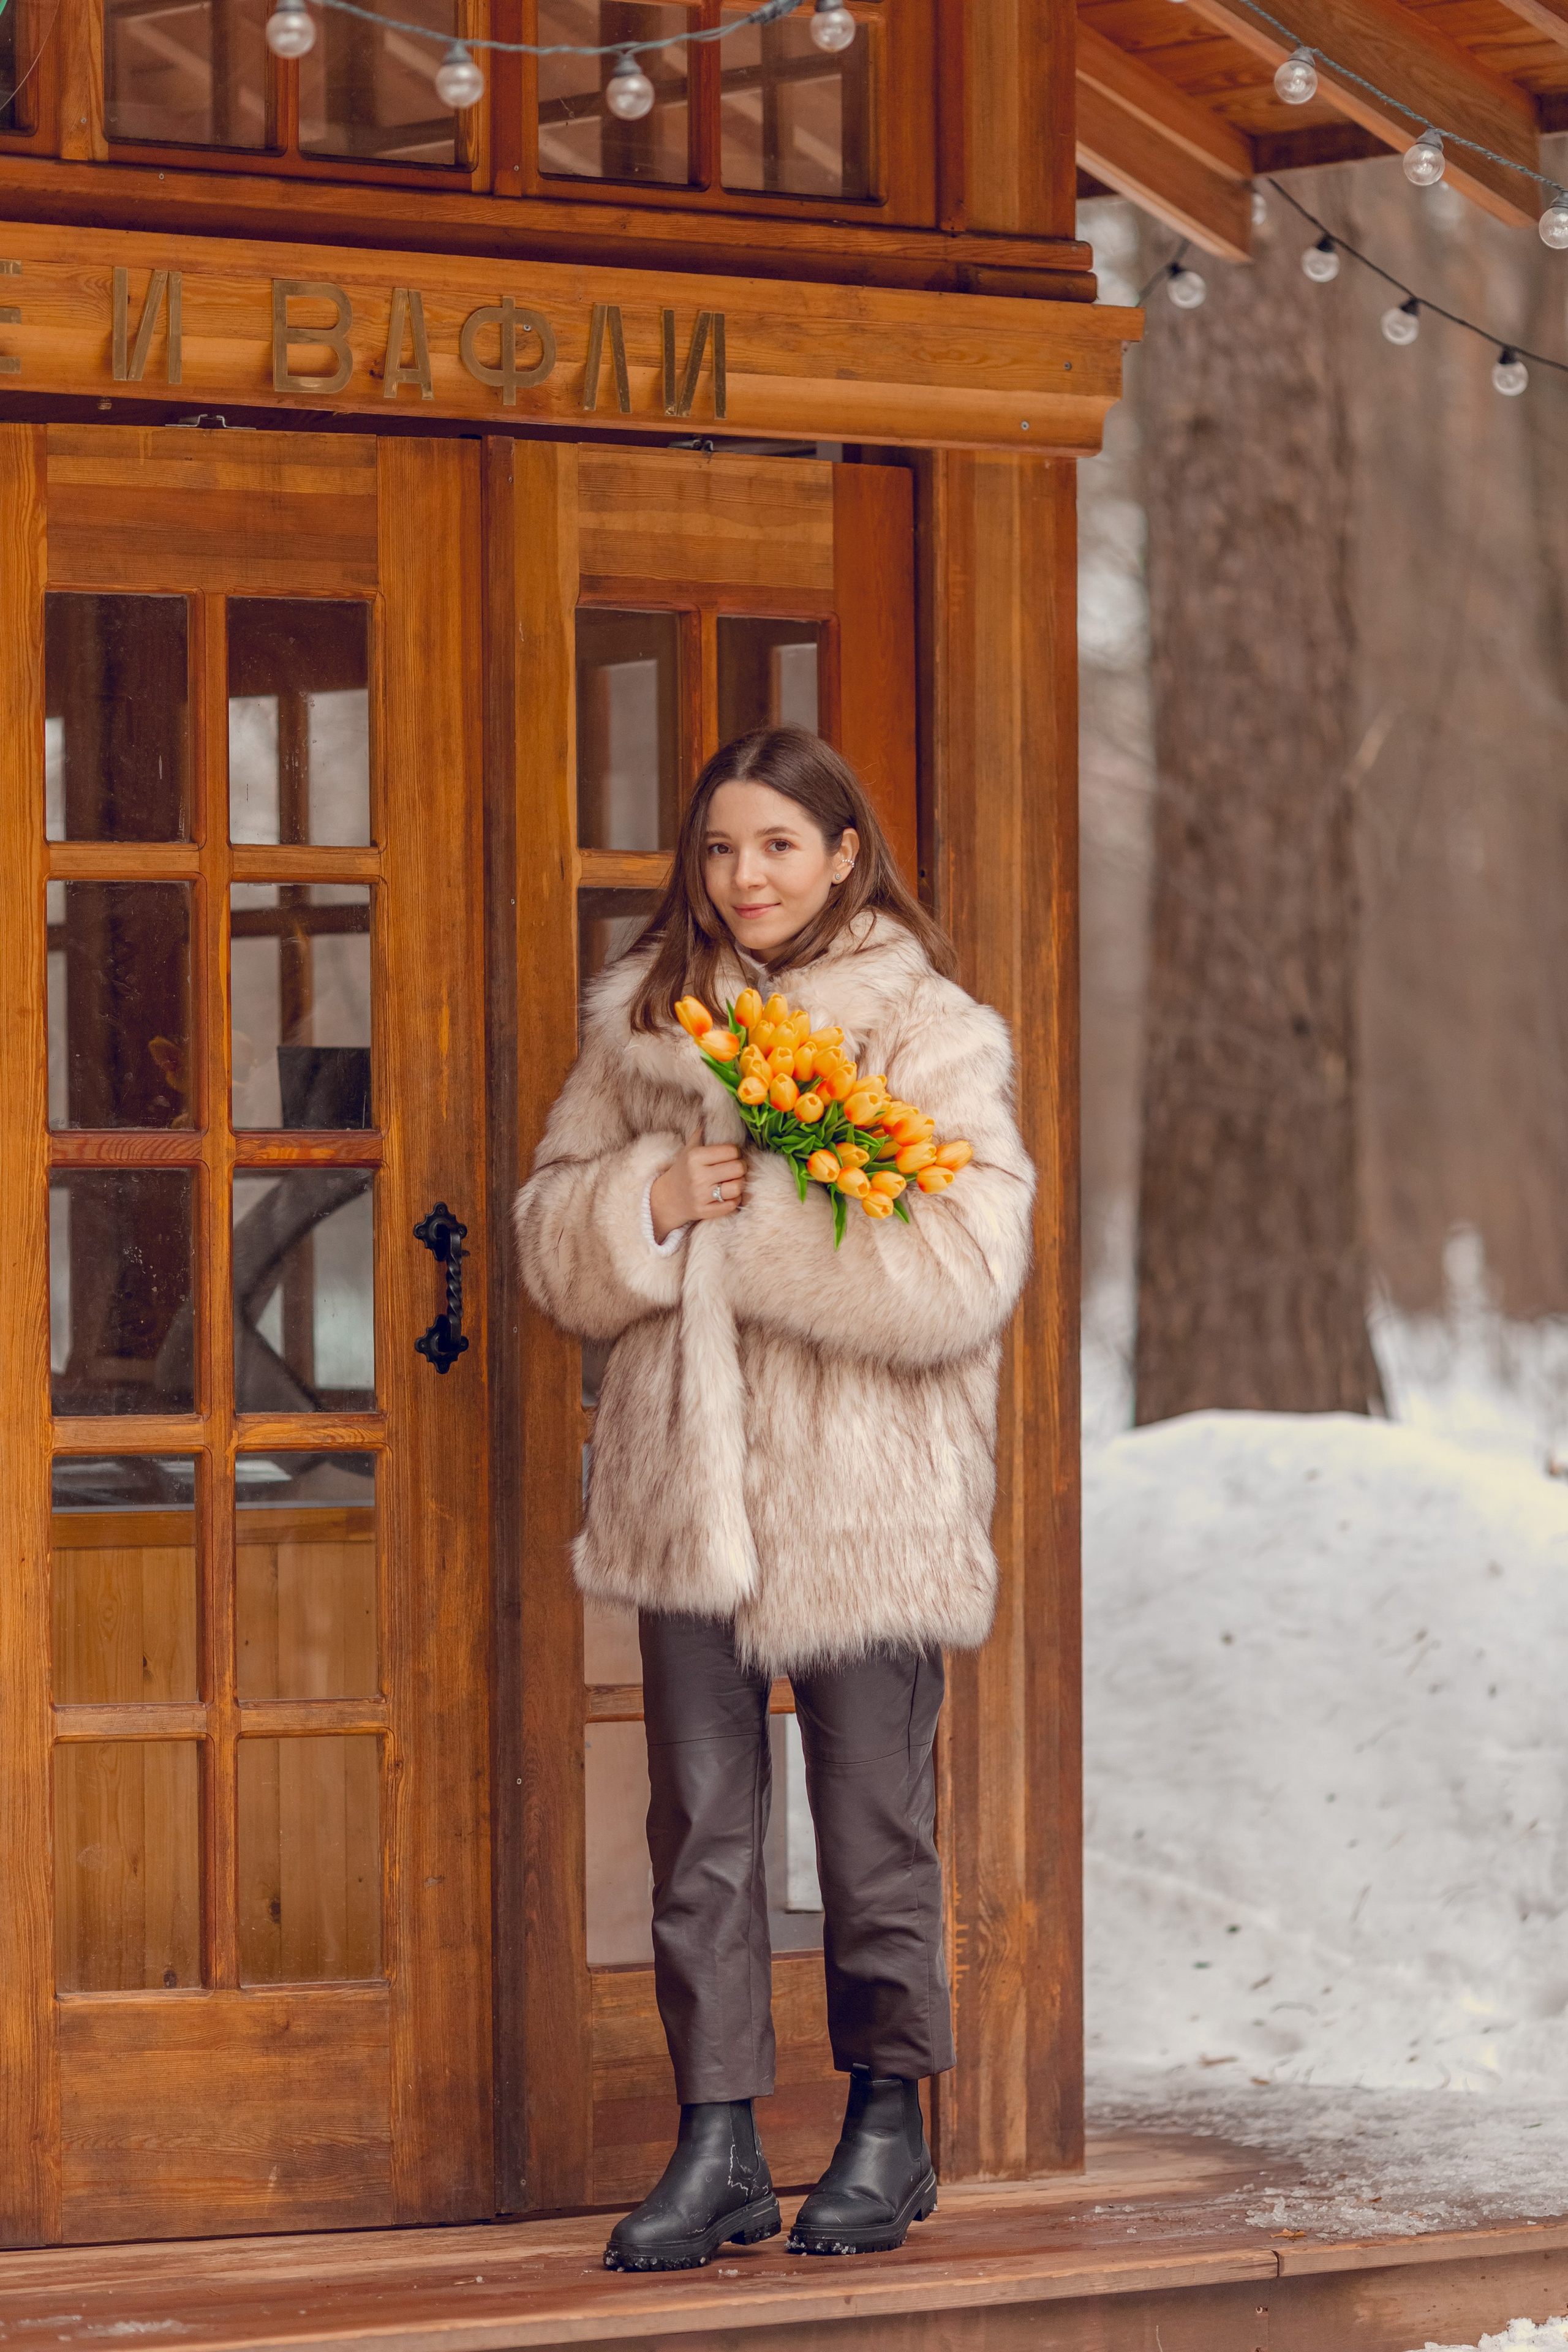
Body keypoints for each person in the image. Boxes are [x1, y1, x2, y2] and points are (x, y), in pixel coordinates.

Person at [514, 726, 1034, 2273]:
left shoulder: (928, 1032)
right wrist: (647, 1205)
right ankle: (717, 2141)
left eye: (778, 849)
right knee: (702, 1837)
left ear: (843, 859)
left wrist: (771, 1225)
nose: (744, 879)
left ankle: (888, 2120)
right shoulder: (642, 1028)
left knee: (871, 1825)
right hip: (686, 1498)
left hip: (863, 1500)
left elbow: (964, 1272)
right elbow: (551, 1237)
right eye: (722, 850)